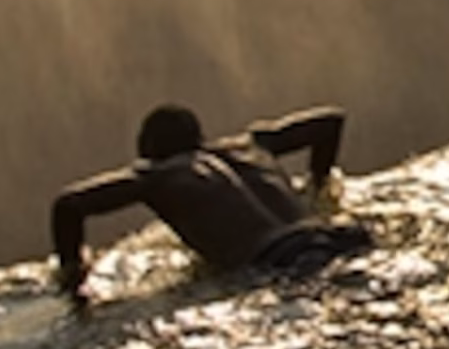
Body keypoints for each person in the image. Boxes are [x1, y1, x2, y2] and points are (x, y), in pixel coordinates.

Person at [51, 103, 367, 297]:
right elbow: (330, 121)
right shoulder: (252, 144)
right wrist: (318, 187)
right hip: (338, 235)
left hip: (275, 263)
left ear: (150, 154)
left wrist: (73, 273)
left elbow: (68, 204)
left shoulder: (156, 177)